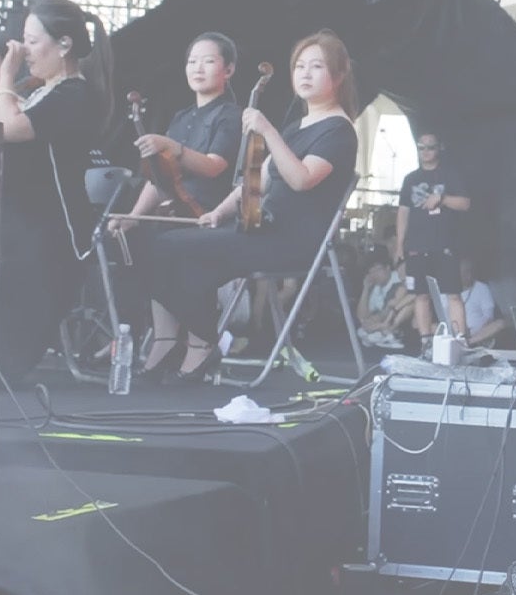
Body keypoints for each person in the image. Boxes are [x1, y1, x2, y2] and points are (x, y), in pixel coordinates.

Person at [135, 31, 360, 382]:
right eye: (299, 66)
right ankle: (195, 343)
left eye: (316, 67)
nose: (305, 73)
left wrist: (267, 131)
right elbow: (255, 181)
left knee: (169, 248)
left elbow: (302, 179)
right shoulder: (297, 126)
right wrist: (218, 213)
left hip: (290, 241)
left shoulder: (339, 131)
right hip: (260, 230)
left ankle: (203, 343)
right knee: (163, 245)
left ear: (339, 75)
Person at [0, 0, 111, 384]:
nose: (24, 52)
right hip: (19, 227)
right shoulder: (45, 92)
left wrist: (4, 77)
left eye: (32, 41)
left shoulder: (72, 95)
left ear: (64, 44)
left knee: (3, 362)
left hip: (47, 236)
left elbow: (7, 129)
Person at [114, 34, 245, 381]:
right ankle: (166, 338)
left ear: (228, 69)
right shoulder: (182, 115)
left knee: (167, 247)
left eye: (208, 61)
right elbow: (159, 178)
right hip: (175, 208)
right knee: (138, 243)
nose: (197, 68)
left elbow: (215, 166)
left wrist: (172, 146)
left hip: (210, 210)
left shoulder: (230, 116)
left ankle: (202, 340)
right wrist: (134, 216)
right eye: (192, 61)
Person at [394, 131, 472, 344]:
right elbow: (403, 212)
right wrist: (400, 244)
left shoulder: (451, 174)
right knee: (420, 295)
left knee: (453, 294)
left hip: (445, 244)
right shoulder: (410, 179)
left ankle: (461, 340)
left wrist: (443, 199)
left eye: (430, 147)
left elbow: (465, 204)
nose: (426, 152)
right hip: (417, 246)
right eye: (421, 147)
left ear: (439, 148)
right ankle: (425, 341)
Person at [354, 256, 415, 351]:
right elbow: (362, 316)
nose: (374, 275)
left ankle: (388, 332)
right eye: (371, 272)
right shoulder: (376, 287)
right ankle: (383, 332)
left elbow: (393, 306)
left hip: (403, 320)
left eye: (377, 270)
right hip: (388, 319)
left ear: (388, 268)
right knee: (363, 328)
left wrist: (377, 323)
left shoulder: (397, 281)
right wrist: (365, 289)